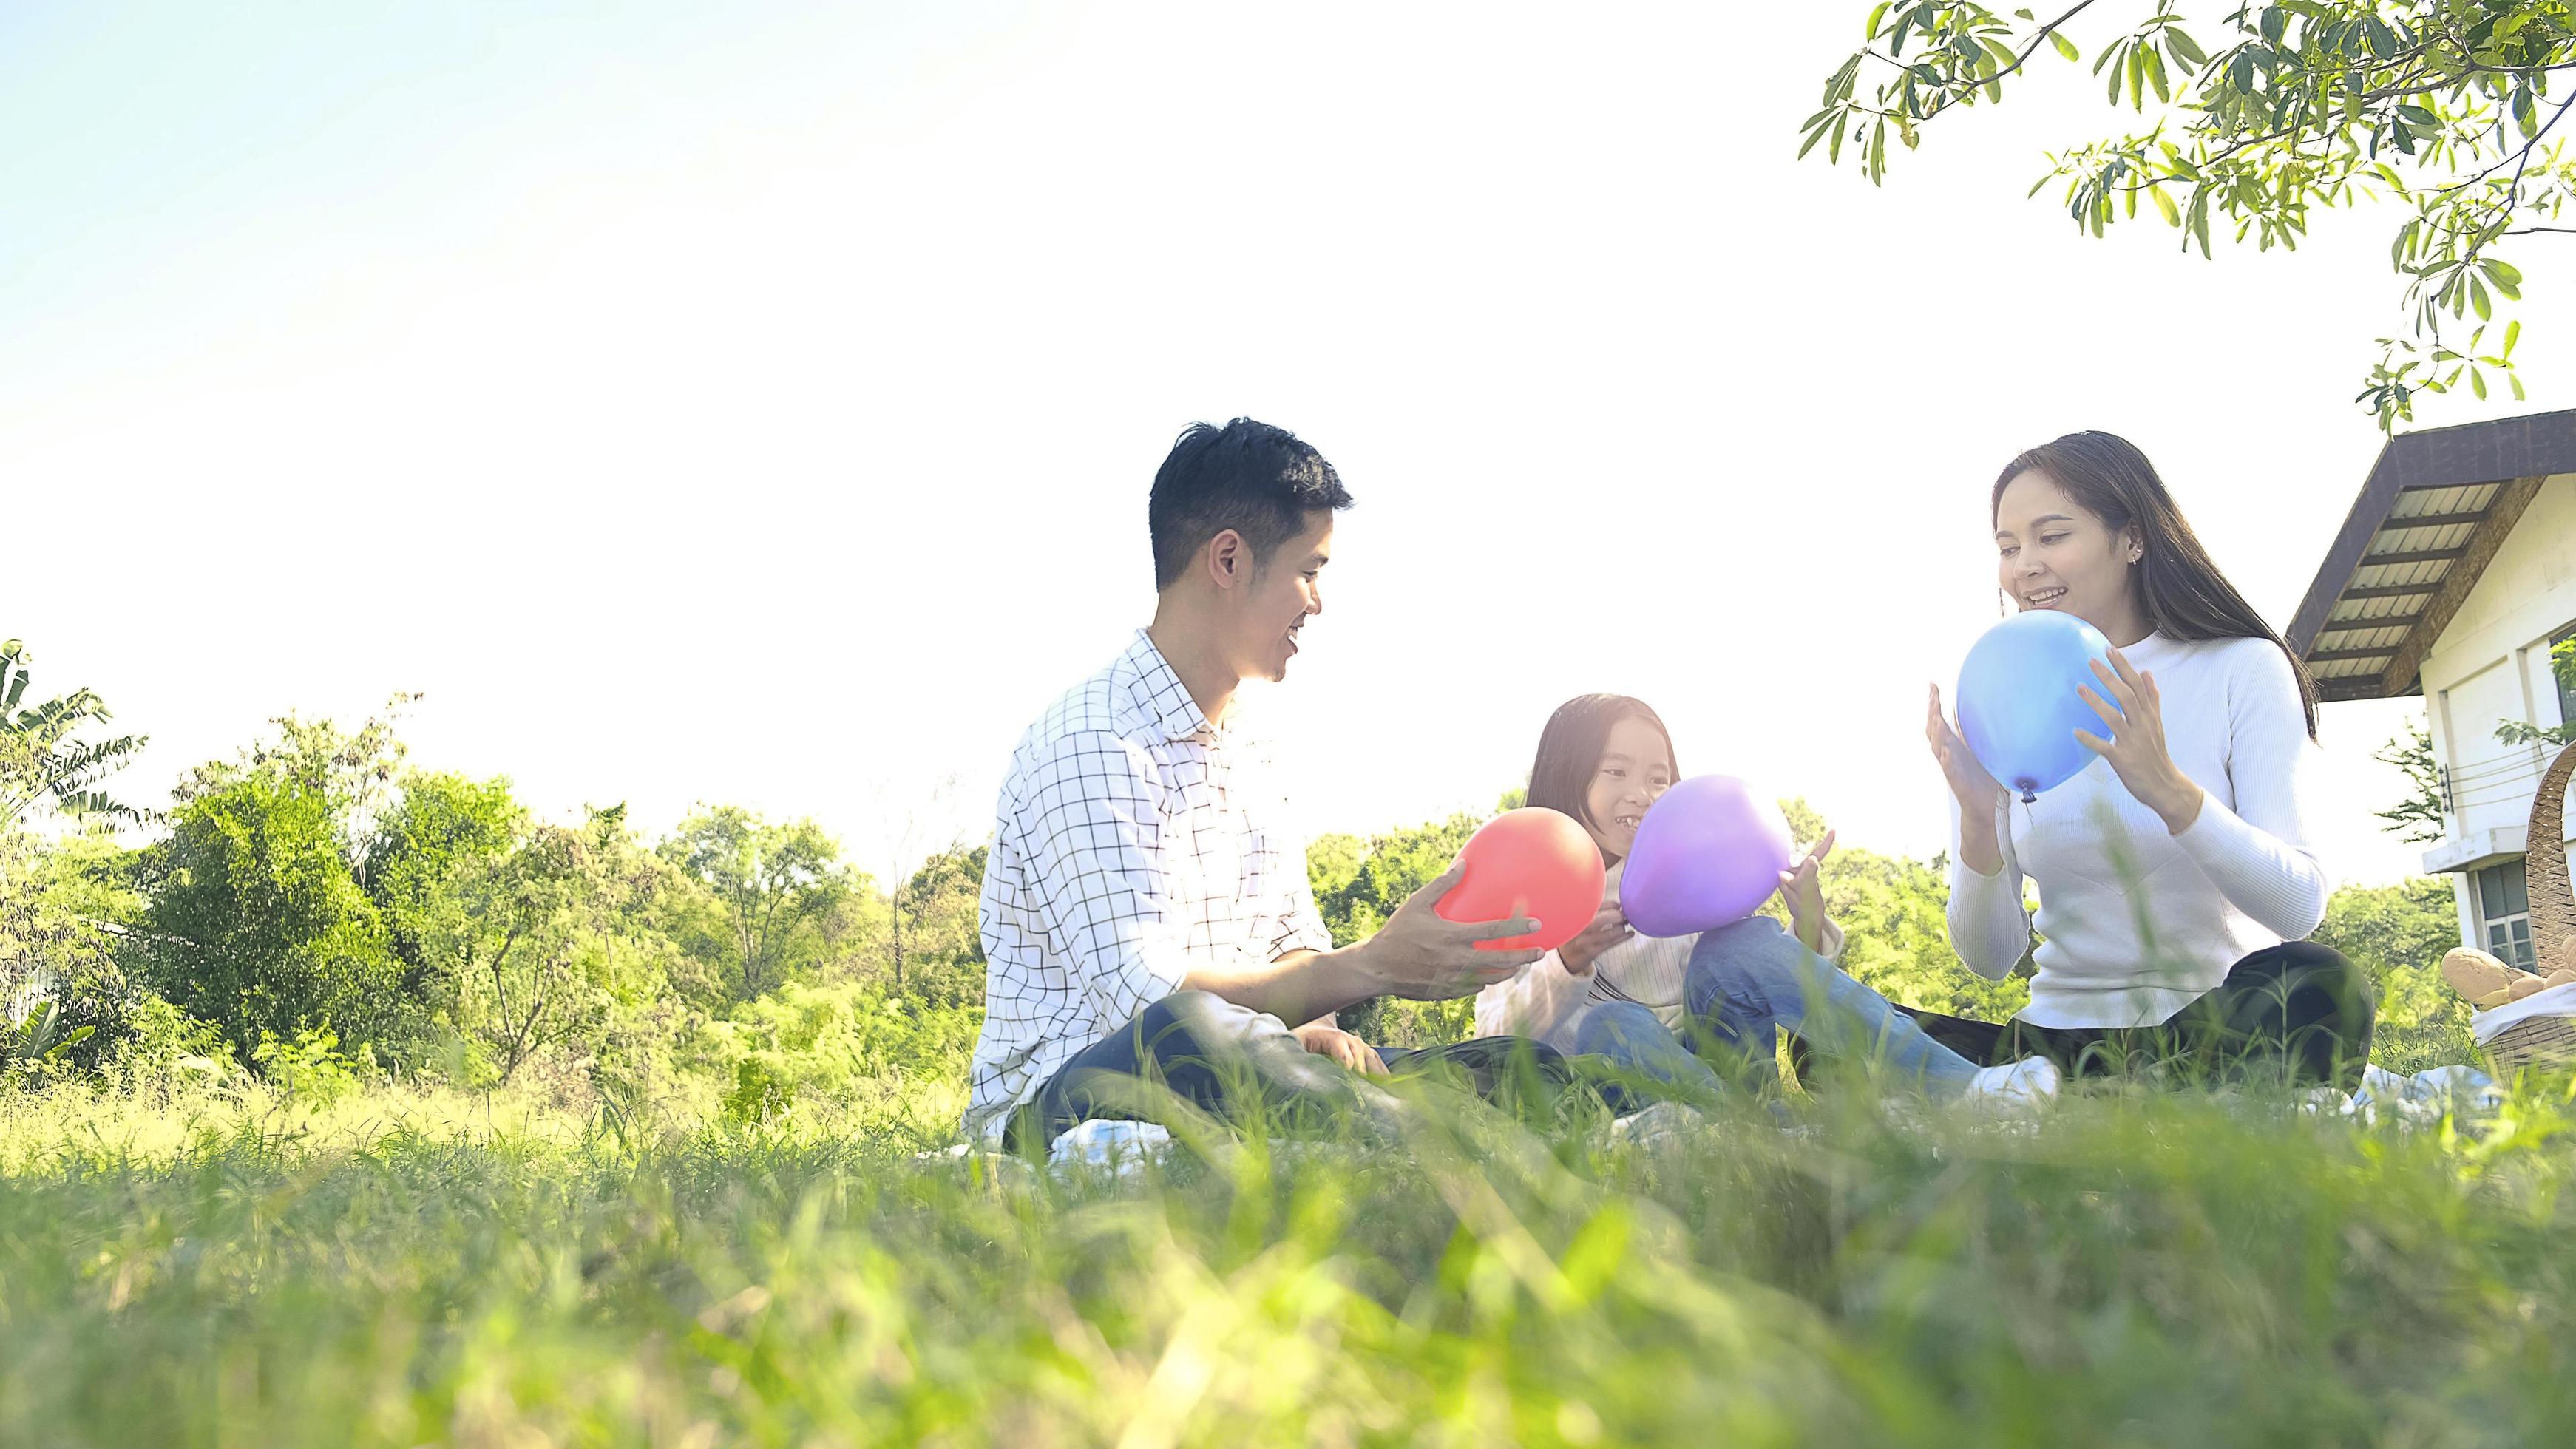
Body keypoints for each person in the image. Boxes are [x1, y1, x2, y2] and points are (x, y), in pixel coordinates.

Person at [963, 418, 1559, 1154]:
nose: (1317, 601)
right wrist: (1374, 964)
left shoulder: (1255, 749)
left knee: (1515, 1068)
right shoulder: (1089, 740)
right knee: (1191, 1026)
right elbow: (1147, 1001)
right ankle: (1454, 1153)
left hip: (1254, 1072)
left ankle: (1575, 1129)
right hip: (1072, 1100)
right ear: (1227, 560)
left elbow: (1292, 948)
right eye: (1309, 570)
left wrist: (1318, 1027)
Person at [1917, 430, 2373, 1088]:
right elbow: (1991, 959)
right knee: (1834, 1039)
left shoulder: (2240, 668)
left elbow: (2298, 908)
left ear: (2132, 538)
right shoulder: (2002, 689)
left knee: (2319, 985)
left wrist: (2167, 789)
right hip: (2054, 1043)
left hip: (2207, 1027)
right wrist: (1975, 819)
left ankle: (2058, 1107)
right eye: (2008, 547)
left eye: (2052, 537)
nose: (2025, 566)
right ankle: (2094, 1101)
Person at [1475, 693, 2061, 1104]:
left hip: (1721, 1074)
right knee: (1613, 1023)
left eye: (1659, 777)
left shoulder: (1682, 867)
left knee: (1742, 939)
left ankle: (1970, 1091)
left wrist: (1806, 923)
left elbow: (1747, 985)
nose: (1643, 794)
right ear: (1566, 776)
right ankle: (1762, 1135)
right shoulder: (1534, 891)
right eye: (1616, 772)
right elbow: (1492, 1038)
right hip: (1625, 1091)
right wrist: (1567, 961)